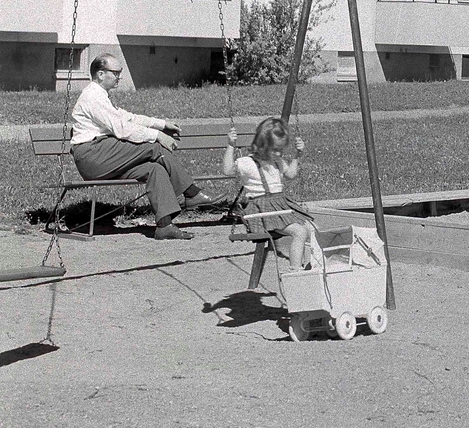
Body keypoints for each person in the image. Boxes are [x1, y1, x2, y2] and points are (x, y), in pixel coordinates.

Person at [71, 54, 218, 240]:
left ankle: (165, 226)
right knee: (155, 147)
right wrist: (158, 136)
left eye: (120, 73)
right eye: (115, 73)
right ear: (100, 74)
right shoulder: (93, 97)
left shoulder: (101, 96)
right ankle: (192, 193)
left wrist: (162, 124)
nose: (119, 77)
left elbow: (128, 118)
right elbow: (122, 129)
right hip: (93, 155)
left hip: (104, 156)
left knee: (154, 169)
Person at [223, 117, 316, 270]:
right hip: (263, 210)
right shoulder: (247, 163)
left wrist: (297, 155)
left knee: (312, 228)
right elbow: (227, 170)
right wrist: (231, 145)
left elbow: (291, 174)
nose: (279, 153)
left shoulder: (277, 160)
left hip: (280, 205)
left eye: (281, 149)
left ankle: (311, 265)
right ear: (261, 145)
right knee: (299, 232)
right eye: (275, 149)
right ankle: (295, 271)